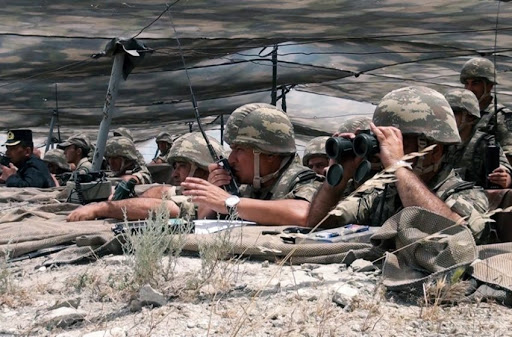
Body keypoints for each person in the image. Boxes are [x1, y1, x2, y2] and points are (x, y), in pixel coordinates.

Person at [306, 86, 489, 243]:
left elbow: (456, 237)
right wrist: (338, 179)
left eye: (400, 142)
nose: (386, 149)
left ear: (435, 151)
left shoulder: (466, 195)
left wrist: (398, 165)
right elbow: (319, 224)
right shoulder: (381, 195)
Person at [181, 103, 322, 226]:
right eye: (232, 149)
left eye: (239, 149)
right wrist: (214, 193)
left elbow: (304, 213)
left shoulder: (304, 179)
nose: (231, 159)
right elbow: (203, 220)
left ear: (270, 154)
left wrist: (229, 202)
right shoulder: (245, 185)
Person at [66, 132, 222, 221]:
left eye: (182, 166)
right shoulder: (201, 189)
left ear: (203, 167)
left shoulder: (220, 191)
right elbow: (166, 191)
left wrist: (99, 209)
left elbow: (167, 208)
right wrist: (131, 195)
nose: (174, 173)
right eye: (175, 167)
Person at [444, 89, 512, 188]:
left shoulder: (484, 143)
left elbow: (503, 168)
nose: (447, 116)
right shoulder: (440, 141)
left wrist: (504, 176)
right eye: (446, 111)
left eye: (454, 112)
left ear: (470, 118)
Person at [460, 57, 512, 164]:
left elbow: (509, 157)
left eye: (475, 83)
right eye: (466, 83)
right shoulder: (460, 113)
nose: (469, 89)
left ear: (489, 86)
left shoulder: (500, 116)